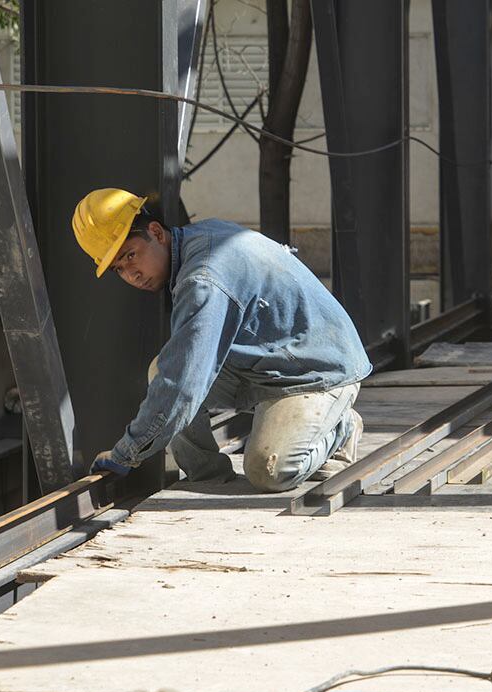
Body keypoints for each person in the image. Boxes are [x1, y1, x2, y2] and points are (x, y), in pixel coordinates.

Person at [71, 188, 370, 491]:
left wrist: (128, 452)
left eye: (130, 255)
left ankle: (342, 429)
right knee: (161, 370)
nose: (131, 274)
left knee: (270, 471)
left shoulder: (203, 279)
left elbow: (182, 385)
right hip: (271, 359)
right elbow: (180, 372)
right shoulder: (197, 240)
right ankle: (209, 476)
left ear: (156, 232)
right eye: (118, 268)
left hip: (318, 370)